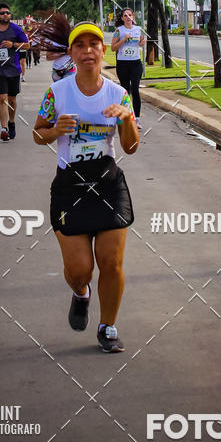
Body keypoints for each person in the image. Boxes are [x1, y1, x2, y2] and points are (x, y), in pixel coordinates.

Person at [33, 21, 139, 353]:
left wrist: (126, 120)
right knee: (79, 271)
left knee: (112, 262)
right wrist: (54, 131)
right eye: (80, 45)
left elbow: (131, 147)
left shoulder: (119, 94)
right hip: (71, 187)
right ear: (71, 53)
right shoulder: (57, 93)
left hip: (108, 185)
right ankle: (81, 293)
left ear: (103, 50)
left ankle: (108, 327)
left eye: (94, 44)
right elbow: (37, 133)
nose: (88, 50)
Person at [0, 3, 29, 141]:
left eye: (7, 12)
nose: (5, 14)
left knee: (12, 99)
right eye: (2, 13)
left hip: (13, 69)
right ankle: (4, 128)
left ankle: (11, 122)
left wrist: (13, 45)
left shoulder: (16, 29)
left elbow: (27, 45)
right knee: (2, 98)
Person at [112, 8, 146, 130]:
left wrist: (142, 42)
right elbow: (113, 48)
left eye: (129, 15)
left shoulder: (138, 29)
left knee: (135, 89)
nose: (128, 17)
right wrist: (123, 40)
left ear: (133, 17)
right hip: (123, 64)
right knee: (125, 91)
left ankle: (137, 119)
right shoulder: (118, 31)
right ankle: (126, 117)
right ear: (122, 18)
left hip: (136, 63)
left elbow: (140, 44)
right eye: (125, 15)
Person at [35, 13, 76, 82]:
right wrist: (64, 52)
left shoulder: (71, 38)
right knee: (58, 88)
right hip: (57, 71)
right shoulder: (53, 40)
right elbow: (48, 57)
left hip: (70, 70)